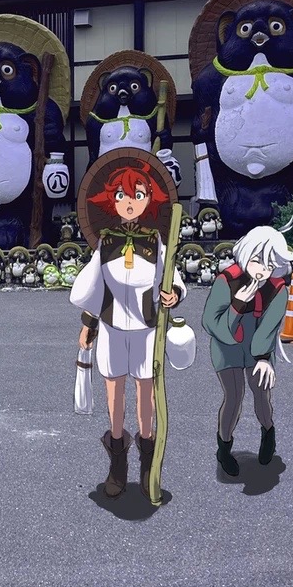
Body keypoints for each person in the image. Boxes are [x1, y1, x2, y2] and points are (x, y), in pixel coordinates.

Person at [70, 159, 186, 499]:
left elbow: (172, 279)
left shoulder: (156, 241)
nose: (130, 202)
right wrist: (88, 326)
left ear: (149, 199)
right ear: (113, 200)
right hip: (111, 328)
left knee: (146, 393)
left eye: (138, 194)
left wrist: (173, 294)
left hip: (147, 329)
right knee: (115, 393)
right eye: (122, 195)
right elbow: (94, 287)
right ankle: (117, 464)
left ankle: (148, 462)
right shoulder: (105, 242)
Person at [201, 221, 293, 475]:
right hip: (227, 346)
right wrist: (236, 306)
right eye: (257, 261)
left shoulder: (278, 289)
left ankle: (268, 433)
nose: (262, 270)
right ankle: (224, 448)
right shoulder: (226, 280)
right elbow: (211, 323)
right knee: (233, 397)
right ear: (245, 254)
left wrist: (264, 358)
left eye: (269, 265)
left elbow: (269, 326)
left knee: (261, 394)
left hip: (258, 346)